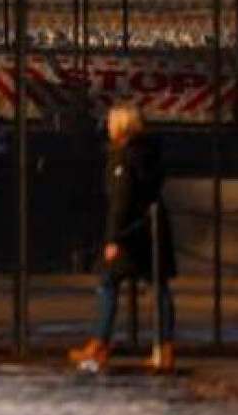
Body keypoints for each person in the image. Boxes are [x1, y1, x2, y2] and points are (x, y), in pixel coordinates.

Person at [70, 104, 177, 374]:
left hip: (130, 232)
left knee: (108, 283)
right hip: (151, 227)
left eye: (110, 122)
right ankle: (164, 346)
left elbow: (121, 200)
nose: (107, 127)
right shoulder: (149, 153)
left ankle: (100, 343)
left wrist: (112, 239)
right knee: (158, 287)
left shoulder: (122, 157)